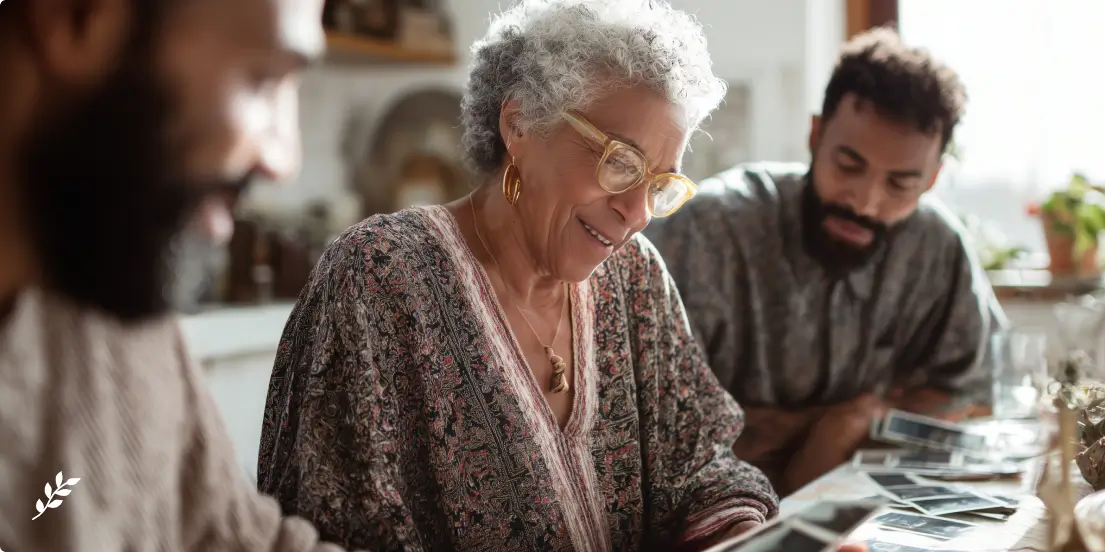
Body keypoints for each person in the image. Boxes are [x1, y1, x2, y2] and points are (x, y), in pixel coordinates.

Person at [255, 2, 785, 551]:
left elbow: (702, 466)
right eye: (620, 161)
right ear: (520, 124)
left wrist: (744, 534)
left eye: (659, 183)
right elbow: (330, 526)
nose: (639, 211)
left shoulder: (636, 276)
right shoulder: (377, 278)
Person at [0, 0, 354, 549]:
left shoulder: (105, 285)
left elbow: (240, 539)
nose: (285, 159)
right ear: (73, 17)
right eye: (262, 79)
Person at [646, 28, 1006, 495]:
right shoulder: (709, 229)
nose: (865, 202)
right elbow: (652, 429)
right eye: (849, 166)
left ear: (932, 179)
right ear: (816, 135)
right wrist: (829, 425)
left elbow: (973, 396)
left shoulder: (939, 249)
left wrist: (860, 420)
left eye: (899, 184)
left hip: (867, 507)